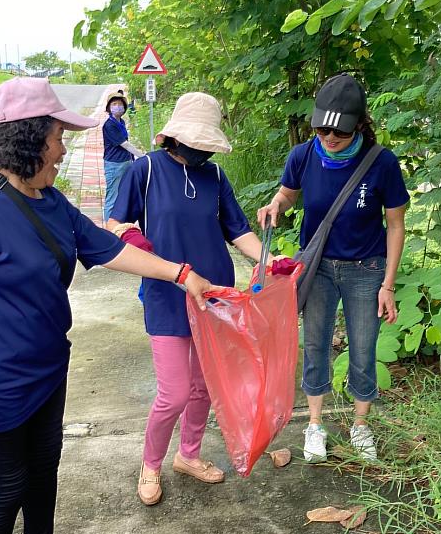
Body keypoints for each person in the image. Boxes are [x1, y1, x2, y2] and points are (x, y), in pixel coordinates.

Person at [0, 77, 216, 534]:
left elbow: (106, 247)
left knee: (42, 483)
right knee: (3, 495)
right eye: (58, 139)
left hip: (50, 374)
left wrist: (180, 274)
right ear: (29, 140)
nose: (62, 152)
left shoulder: (51, 202)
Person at [107, 92, 274, 506]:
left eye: (206, 145)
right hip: (166, 294)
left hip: (215, 296)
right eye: (195, 143)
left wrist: (273, 258)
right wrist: (140, 243)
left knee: (202, 388)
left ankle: (189, 455)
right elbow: (115, 222)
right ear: (176, 136)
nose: (201, 151)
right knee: (174, 393)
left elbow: (238, 231)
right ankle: (150, 465)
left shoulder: (215, 177)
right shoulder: (144, 169)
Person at [257, 73, 409, 463]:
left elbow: (395, 225)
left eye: (337, 134)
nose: (328, 139)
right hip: (318, 268)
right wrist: (276, 206)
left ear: (360, 125)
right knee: (316, 346)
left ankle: (360, 426)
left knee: (362, 348)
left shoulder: (381, 163)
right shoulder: (304, 155)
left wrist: (387, 285)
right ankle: (314, 425)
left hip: (367, 268)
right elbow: (288, 194)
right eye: (322, 131)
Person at [102, 89, 143, 224]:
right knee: (112, 197)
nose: (117, 106)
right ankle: (109, 229)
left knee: (124, 194)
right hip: (114, 164)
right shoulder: (109, 125)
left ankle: (120, 224)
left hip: (125, 162)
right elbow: (124, 144)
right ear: (109, 107)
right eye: (114, 104)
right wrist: (142, 156)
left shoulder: (121, 122)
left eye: (120, 104)